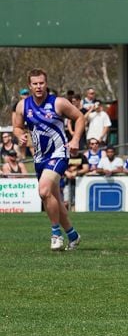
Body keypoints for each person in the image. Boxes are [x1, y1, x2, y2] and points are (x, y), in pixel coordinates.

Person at [12, 68, 85, 251]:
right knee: (53, 200)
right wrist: (20, 135)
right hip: (40, 157)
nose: (38, 86)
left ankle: (55, 234)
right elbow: (17, 127)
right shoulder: (23, 106)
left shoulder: (58, 103)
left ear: (46, 83)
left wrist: (75, 139)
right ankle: (73, 236)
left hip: (59, 153)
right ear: (29, 85)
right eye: (35, 83)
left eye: (41, 83)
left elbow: (80, 117)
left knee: (44, 191)